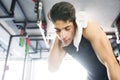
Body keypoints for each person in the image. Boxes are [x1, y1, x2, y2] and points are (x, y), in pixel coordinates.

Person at [47, 1, 120, 80]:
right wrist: (59, 34)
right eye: (57, 30)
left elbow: (111, 63)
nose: (63, 35)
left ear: (75, 23)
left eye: (67, 28)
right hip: (92, 77)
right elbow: (52, 68)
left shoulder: (88, 27)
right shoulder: (62, 39)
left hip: (112, 74)